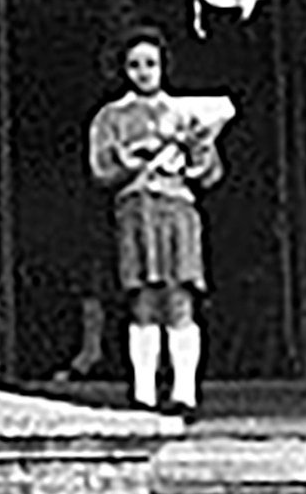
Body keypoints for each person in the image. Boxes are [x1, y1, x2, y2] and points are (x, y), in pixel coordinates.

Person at [89, 27, 222, 420]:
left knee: (180, 295)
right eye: (135, 65)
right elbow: (101, 171)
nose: (144, 72)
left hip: (178, 208)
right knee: (143, 297)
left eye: (151, 64)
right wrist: (130, 158)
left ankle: (184, 392)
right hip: (135, 209)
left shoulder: (184, 112)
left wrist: (196, 148)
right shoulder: (110, 116)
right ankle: (144, 392)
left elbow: (210, 174)